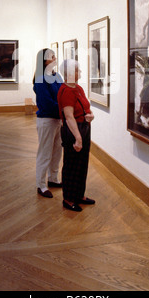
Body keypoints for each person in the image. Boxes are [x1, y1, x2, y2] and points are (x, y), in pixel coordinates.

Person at [57, 59, 95, 212]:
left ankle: (79, 194)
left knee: (82, 163)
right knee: (72, 164)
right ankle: (68, 198)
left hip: (84, 127)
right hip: (73, 130)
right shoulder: (66, 91)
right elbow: (69, 116)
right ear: (70, 73)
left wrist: (91, 115)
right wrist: (78, 137)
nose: (81, 73)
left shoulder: (78, 88)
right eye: (78, 70)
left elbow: (85, 107)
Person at [33, 48, 63, 198]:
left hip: (58, 119)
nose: (55, 59)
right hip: (47, 120)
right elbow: (46, 103)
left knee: (57, 151)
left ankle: (53, 179)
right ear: (44, 61)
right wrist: (64, 110)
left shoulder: (57, 76)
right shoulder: (40, 78)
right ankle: (41, 184)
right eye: (52, 57)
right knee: (45, 153)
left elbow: (63, 94)